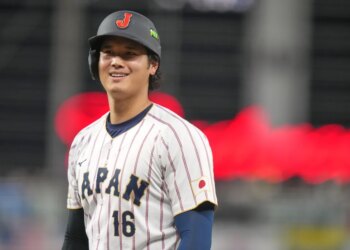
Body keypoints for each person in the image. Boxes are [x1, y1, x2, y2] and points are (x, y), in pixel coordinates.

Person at [62, 10, 218, 250]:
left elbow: (196, 238)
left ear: (153, 64)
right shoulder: (83, 141)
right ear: (96, 61)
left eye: (130, 54)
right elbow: (75, 239)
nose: (116, 61)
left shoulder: (178, 137)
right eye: (108, 52)